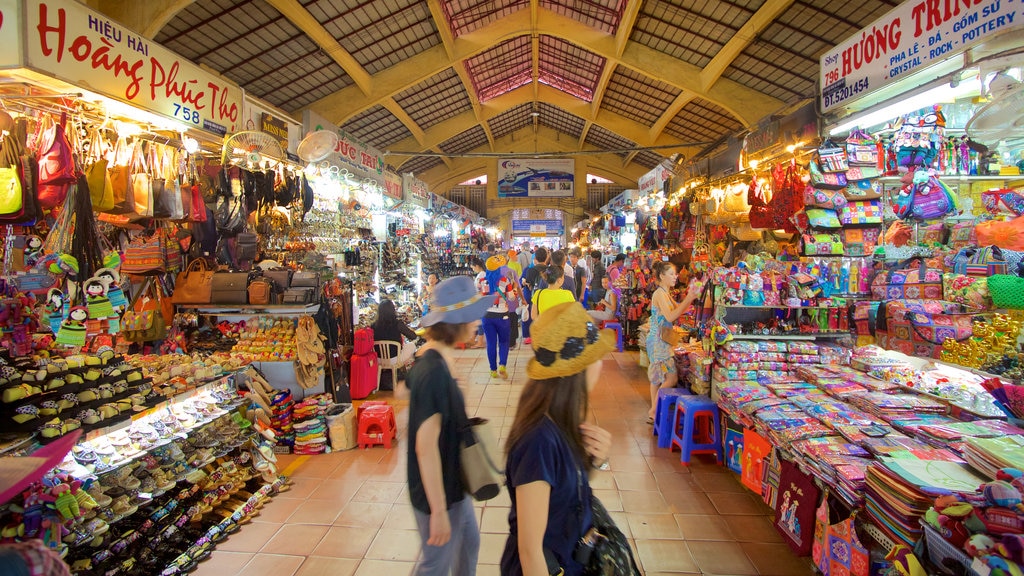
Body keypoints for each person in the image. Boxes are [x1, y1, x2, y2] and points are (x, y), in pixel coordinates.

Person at [501, 302, 615, 576]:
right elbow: (530, 550)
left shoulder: (562, 420)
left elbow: (563, 496)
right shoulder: (539, 441)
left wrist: (595, 462)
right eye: (595, 356)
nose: (601, 363)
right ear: (579, 370)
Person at [407, 276, 491, 576]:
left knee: (469, 545)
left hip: (454, 481)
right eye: (473, 316)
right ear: (456, 321)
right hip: (438, 490)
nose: (478, 322)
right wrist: (439, 510)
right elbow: (425, 447)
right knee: (436, 565)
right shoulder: (433, 372)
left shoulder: (439, 358)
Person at [645, 261, 703, 423]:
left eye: (675, 274)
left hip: (661, 339)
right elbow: (671, 317)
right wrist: (689, 297)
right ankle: (654, 409)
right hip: (658, 341)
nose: (675, 277)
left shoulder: (665, 292)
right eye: (671, 274)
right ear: (662, 276)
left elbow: (678, 309)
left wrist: (691, 296)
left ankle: (653, 413)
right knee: (671, 378)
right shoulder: (659, 294)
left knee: (657, 378)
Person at [475, 254, 521, 379]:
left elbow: (479, 296)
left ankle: (493, 370)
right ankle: (502, 365)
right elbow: (511, 297)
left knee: (490, 343)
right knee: (504, 342)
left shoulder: (482, 281)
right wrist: (515, 289)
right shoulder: (505, 281)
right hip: (502, 316)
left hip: (486, 316)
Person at [371, 299, 418, 380]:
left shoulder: (373, 326)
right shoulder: (397, 323)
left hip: (379, 360)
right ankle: (405, 374)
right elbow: (413, 336)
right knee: (412, 345)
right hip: (394, 359)